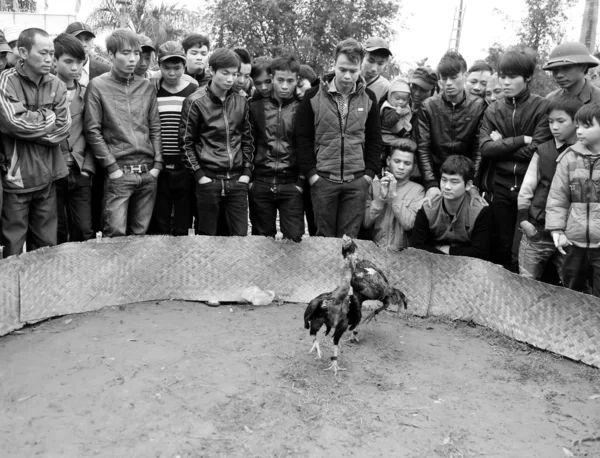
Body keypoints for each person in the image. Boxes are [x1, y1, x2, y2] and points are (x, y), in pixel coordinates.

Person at [296, 38, 383, 239]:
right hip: (323, 180)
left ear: (360, 68)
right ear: (333, 64)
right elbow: (303, 138)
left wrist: (369, 174)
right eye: (342, 69)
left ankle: (346, 271)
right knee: (323, 239)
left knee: (349, 239)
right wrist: (312, 175)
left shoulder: (369, 98)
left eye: (353, 71)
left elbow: (374, 139)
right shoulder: (312, 96)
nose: (347, 75)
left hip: (356, 181)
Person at [84, 29, 162, 237]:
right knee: (115, 237)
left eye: (136, 53)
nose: (133, 59)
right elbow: (93, 130)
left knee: (140, 236)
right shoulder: (98, 85)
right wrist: (112, 168)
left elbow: (154, 126)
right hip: (119, 172)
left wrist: (157, 166)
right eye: (126, 53)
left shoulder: (146, 86)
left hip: (147, 172)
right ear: (111, 55)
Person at [0, 28, 71, 257]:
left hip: (47, 178)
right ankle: (11, 294)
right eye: (43, 53)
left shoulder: (57, 84)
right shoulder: (5, 81)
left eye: (51, 52)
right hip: (15, 181)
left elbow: (63, 129)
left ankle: (43, 294)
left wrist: (29, 122)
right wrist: (48, 116)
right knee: (13, 252)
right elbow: (12, 121)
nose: (50, 58)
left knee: (45, 251)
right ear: (23, 52)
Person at [480, 49, 553, 272]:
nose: (506, 82)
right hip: (500, 186)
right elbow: (485, 149)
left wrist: (501, 144)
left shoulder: (541, 107)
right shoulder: (493, 109)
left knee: (521, 251)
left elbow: (536, 151)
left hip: (529, 188)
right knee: (499, 248)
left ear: (528, 77)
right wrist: (519, 140)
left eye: (512, 77)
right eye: (503, 76)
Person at [179, 47, 253, 236]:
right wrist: (200, 176)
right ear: (212, 70)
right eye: (225, 73)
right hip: (208, 180)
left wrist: (246, 173)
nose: (230, 79)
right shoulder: (195, 101)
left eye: (234, 74)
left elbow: (247, 139)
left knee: (240, 238)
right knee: (207, 238)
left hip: (237, 181)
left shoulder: (241, 101)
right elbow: (186, 142)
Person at [517, 94, 583, 283]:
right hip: (537, 230)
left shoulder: (587, 154)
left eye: (561, 121)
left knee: (572, 286)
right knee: (526, 282)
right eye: (551, 121)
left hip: (571, 235)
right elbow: (526, 189)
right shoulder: (543, 150)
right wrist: (523, 221)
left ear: (576, 121)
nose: (554, 127)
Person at [546, 102, 600, 297]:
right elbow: (558, 198)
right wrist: (557, 230)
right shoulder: (568, 159)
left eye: (587, 126)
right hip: (573, 243)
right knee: (571, 291)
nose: (579, 131)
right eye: (578, 126)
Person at [418, 50, 486, 204]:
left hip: (465, 180)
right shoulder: (428, 106)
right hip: (436, 177)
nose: (448, 83)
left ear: (465, 75)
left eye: (454, 77)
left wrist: (473, 183)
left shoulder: (479, 106)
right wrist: (431, 183)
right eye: (444, 78)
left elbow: (479, 148)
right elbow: (423, 147)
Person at [249, 54, 304, 242]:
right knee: (262, 242)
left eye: (290, 81)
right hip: (261, 182)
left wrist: (301, 182)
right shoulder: (255, 107)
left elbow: (307, 146)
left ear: (297, 80)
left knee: (294, 241)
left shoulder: (303, 108)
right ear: (272, 78)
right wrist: (251, 178)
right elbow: (249, 144)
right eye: (280, 80)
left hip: (291, 184)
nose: (285, 86)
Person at [150, 41, 198, 236]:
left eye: (177, 68)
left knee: (183, 220)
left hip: (185, 165)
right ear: (159, 66)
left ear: (184, 66)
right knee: (159, 219)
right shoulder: (152, 88)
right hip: (159, 164)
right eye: (166, 68)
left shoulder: (193, 89)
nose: (171, 73)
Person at [53, 33, 96, 243]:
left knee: (84, 231)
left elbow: (93, 133)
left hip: (80, 171)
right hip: (53, 172)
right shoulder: (45, 93)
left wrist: (88, 168)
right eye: (68, 62)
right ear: (55, 60)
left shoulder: (87, 93)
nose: (74, 68)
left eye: (79, 62)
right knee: (58, 231)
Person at [411, 155, 491, 260]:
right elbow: (417, 247)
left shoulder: (480, 211)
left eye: (454, 182)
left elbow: (481, 252)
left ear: (468, 185)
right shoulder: (428, 208)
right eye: (444, 180)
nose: (447, 187)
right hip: (432, 264)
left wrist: (447, 250)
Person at [364, 146, 424, 250]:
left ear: (413, 167)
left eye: (407, 163)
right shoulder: (374, 186)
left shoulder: (418, 190)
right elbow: (365, 222)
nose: (401, 167)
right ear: (388, 161)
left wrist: (394, 195)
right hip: (375, 251)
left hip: (404, 254)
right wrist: (381, 198)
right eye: (397, 161)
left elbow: (409, 224)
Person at [65, 22, 111, 87]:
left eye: (87, 39)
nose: (83, 44)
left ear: (92, 42)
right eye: (78, 39)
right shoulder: (54, 72)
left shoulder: (106, 71)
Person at [380, 77, 416, 153]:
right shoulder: (388, 108)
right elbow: (390, 123)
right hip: (387, 137)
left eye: (404, 99)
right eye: (397, 99)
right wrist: (397, 113)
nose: (400, 102)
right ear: (390, 96)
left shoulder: (406, 108)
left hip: (398, 137)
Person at [360, 36, 392, 103]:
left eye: (380, 64)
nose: (374, 69)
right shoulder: (346, 77)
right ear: (362, 57)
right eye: (370, 61)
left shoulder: (386, 88)